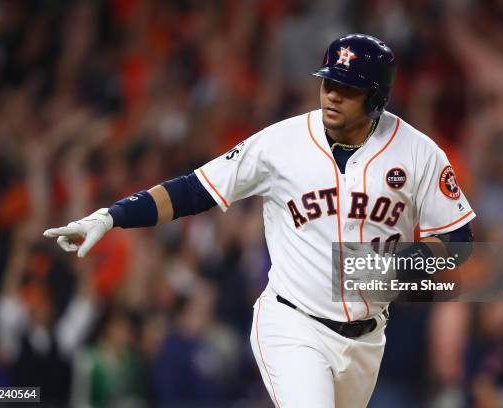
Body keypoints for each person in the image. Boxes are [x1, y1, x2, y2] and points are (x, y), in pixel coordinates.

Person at [44, 34, 475, 407]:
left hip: (367, 339)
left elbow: (458, 239)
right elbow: (195, 190)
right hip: (292, 323)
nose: (331, 94)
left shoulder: (418, 153)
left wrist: (398, 268)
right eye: (328, 82)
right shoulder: (281, 143)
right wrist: (113, 215)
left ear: (378, 97)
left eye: (347, 88)